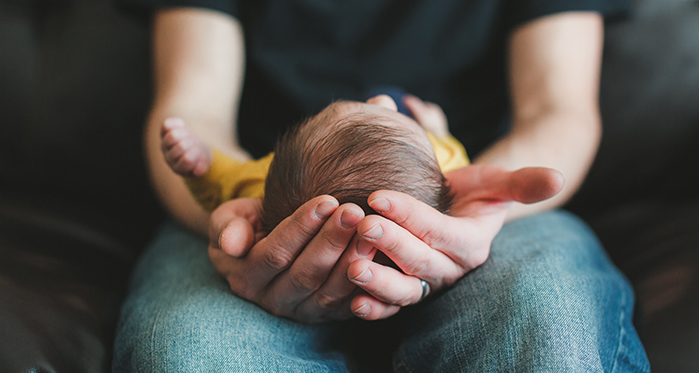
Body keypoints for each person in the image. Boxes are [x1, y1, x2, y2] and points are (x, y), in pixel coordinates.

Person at [114, 0, 651, 373]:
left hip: (474, 201)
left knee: (553, 327)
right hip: (264, 193)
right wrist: (241, 216)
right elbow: (191, 110)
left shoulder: (449, 165)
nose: (378, 102)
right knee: (194, 356)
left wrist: (474, 213)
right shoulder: (258, 193)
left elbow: (558, 111)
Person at [161, 97, 469, 232]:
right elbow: (454, 151)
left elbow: (219, 184)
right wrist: (438, 130)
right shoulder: (444, 162)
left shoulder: (258, 184)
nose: (380, 99)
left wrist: (202, 164)